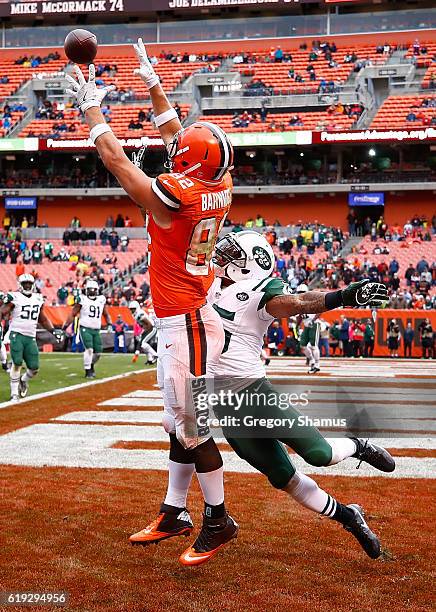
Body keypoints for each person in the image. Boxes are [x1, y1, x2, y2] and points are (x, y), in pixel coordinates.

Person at [65, 38, 236, 565]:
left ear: (187, 162)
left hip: (186, 320)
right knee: (175, 422)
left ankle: (219, 518)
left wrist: (90, 104)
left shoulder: (177, 197)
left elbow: (116, 159)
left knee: (191, 425)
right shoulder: (218, 181)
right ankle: (173, 508)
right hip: (182, 315)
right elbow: (177, 136)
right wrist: (155, 84)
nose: (176, 143)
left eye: (184, 145)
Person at [160, 231, 393, 560]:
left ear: (252, 264)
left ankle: (358, 446)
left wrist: (341, 296)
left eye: (231, 254)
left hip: (254, 395)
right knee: (284, 478)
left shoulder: (258, 290)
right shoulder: (207, 284)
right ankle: (350, 516)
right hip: (224, 405)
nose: (222, 258)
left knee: (319, 453)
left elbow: (296, 303)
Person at [0, 274, 63, 401]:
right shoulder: (15, 297)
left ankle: (23, 381)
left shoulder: (38, 298)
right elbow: (2, 311)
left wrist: (53, 330)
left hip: (30, 336)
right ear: (20, 285)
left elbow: (42, 318)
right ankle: (14, 394)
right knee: (17, 363)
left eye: (29, 283)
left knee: (34, 368)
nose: (28, 286)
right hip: (17, 334)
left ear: (33, 284)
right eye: (25, 284)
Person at [62, 279, 112, 378]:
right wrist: (65, 326)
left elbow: (106, 314)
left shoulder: (101, 300)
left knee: (98, 353)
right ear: (86, 290)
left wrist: (109, 324)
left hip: (96, 329)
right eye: (90, 289)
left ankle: (91, 364)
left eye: (94, 289)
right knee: (89, 349)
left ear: (97, 290)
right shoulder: (82, 299)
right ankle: (88, 370)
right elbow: (73, 313)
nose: (92, 291)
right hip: (85, 327)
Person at [129, 300, 157, 365]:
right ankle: (150, 359)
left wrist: (145, 331)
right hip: (147, 328)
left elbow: (149, 324)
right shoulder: (135, 314)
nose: (132, 310)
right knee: (143, 345)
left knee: (144, 344)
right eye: (131, 309)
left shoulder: (140, 313)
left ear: (137, 307)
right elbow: (142, 324)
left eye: (133, 309)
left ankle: (156, 355)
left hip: (151, 328)